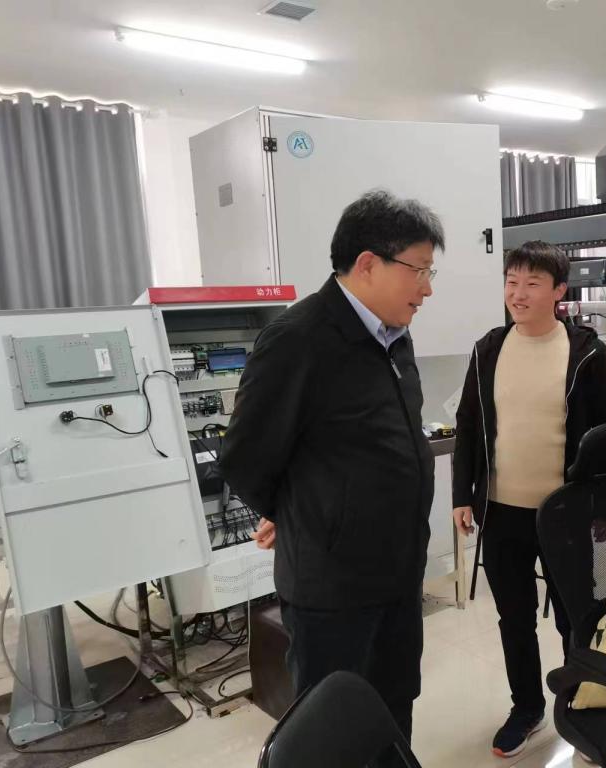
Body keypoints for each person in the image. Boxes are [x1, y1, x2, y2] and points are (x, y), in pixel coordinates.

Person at [219, 189, 442, 763]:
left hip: (398, 571)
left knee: (393, 707)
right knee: (332, 728)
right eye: (418, 271)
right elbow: (244, 457)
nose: (427, 288)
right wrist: (299, 511)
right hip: (334, 588)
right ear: (368, 264)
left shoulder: (395, 336)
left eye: (430, 272)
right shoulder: (299, 339)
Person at [451, 240, 606, 758]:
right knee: (514, 617)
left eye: (531, 283)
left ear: (558, 290)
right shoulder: (488, 349)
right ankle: (526, 708)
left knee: (577, 616)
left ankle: (581, 705)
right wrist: (462, 494)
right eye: (511, 282)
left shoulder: (585, 352)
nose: (518, 294)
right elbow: (468, 426)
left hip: (566, 511)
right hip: (502, 510)